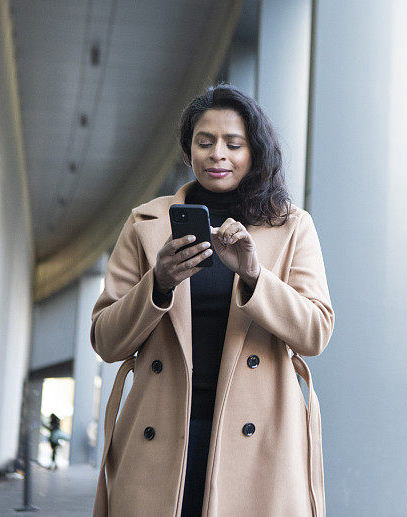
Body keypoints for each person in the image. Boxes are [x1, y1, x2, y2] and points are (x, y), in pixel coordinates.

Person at [90, 83, 335, 516]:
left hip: (259, 443)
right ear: (189, 151)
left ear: (253, 152)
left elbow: (315, 334)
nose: (217, 154)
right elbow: (106, 342)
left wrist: (255, 275)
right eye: (204, 142)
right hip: (160, 435)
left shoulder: (292, 227)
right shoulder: (146, 223)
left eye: (232, 144)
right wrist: (158, 283)